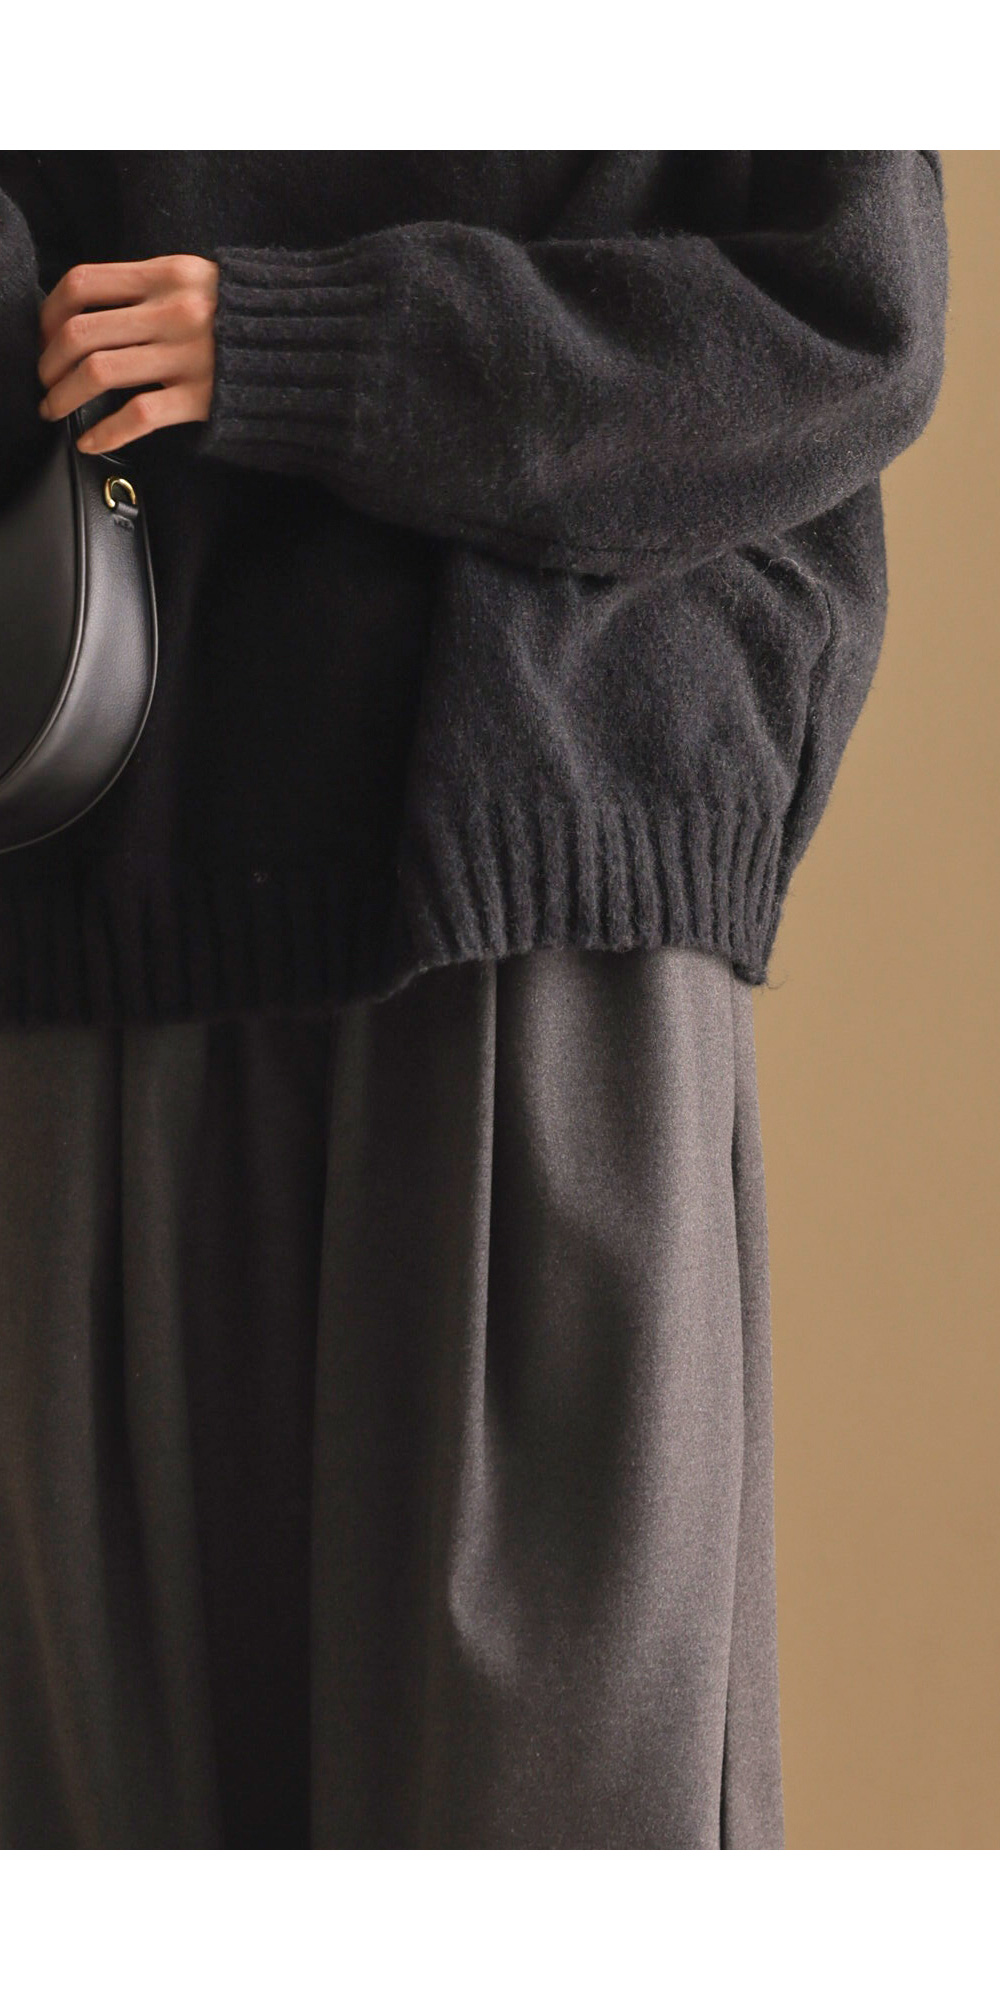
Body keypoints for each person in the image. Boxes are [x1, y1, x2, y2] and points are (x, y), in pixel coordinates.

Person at [0, 151, 948, 1848]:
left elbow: (844, 321)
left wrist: (322, 345)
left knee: (557, 1836)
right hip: (95, 887)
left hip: (548, 898)